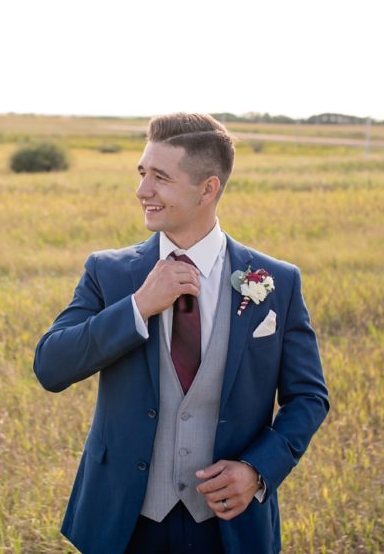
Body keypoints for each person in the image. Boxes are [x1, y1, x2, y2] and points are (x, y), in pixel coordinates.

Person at [34, 113, 329, 553]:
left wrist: (256, 470)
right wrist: (138, 306)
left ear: (207, 188)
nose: (142, 191)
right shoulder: (108, 272)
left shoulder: (276, 282)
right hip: (125, 522)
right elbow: (50, 366)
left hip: (228, 525)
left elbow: (309, 398)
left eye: (160, 178)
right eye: (141, 174)